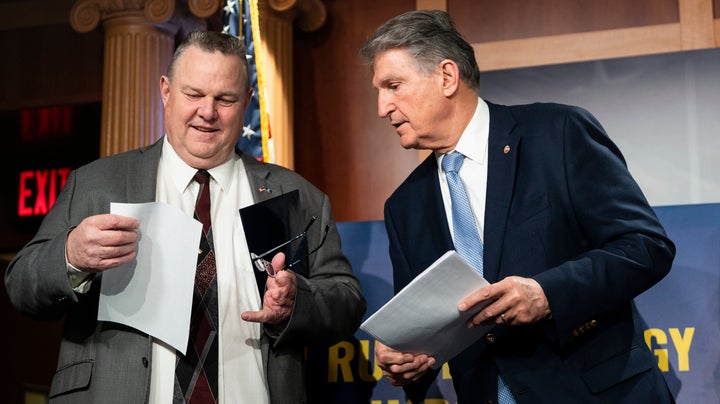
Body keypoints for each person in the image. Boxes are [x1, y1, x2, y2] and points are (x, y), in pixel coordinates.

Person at [5, 31, 366, 404]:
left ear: (247, 102)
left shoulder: (294, 195)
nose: (207, 112)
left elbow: (347, 300)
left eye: (225, 99)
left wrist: (297, 302)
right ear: (166, 90)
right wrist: (71, 257)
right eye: (193, 94)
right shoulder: (97, 184)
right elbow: (21, 285)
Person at [360, 10, 676, 404]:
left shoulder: (558, 133)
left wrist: (548, 294)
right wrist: (406, 363)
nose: (381, 107)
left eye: (393, 85)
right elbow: (424, 334)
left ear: (446, 77)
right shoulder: (403, 207)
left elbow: (645, 246)